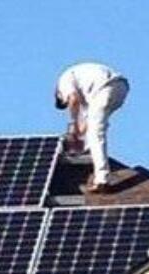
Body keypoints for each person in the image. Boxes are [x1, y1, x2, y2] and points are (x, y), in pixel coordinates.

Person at [55, 62, 130, 192]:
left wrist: (73, 122)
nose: (68, 105)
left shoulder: (64, 80)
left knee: (95, 133)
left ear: (58, 94)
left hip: (105, 87)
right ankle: (88, 151)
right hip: (120, 88)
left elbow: (73, 99)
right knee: (94, 126)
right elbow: (85, 122)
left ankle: (102, 179)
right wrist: (77, 133)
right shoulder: (85, 92)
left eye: (64, 102)